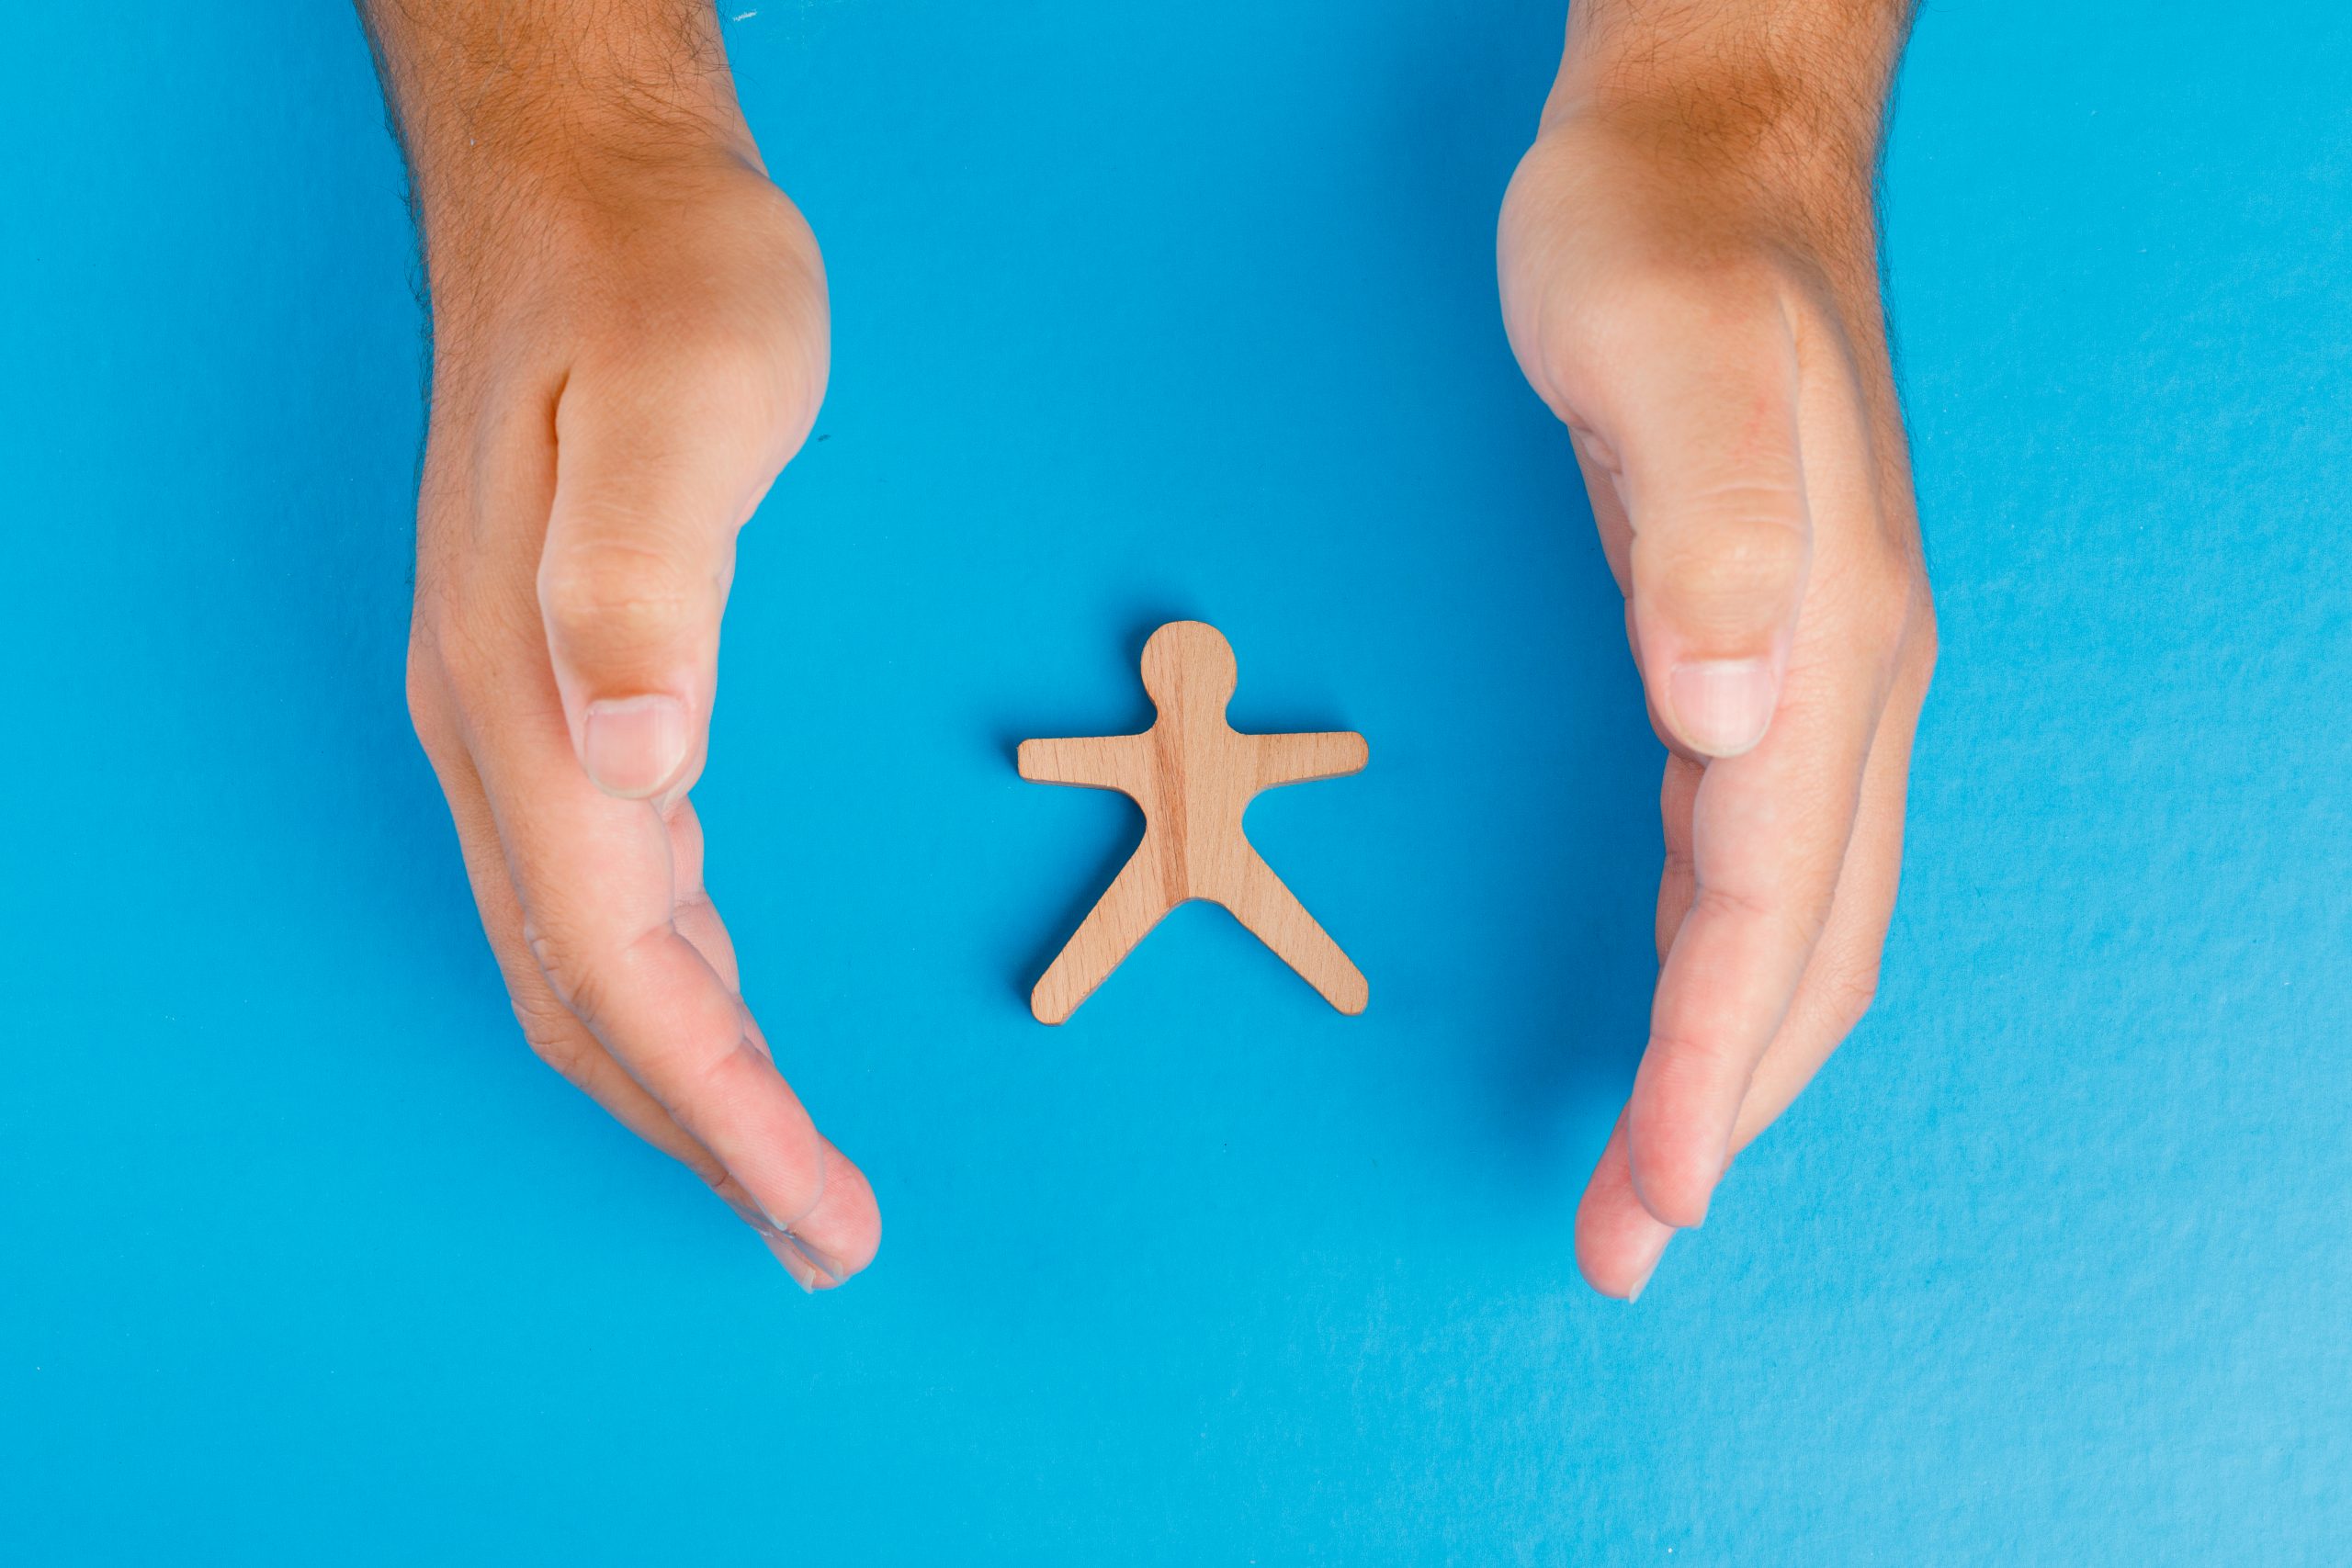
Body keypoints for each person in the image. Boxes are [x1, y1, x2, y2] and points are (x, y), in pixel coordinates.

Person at [362, 0, 1936, 1301]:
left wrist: (1741, 84)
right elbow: (1130, 755)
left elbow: (1195, 754)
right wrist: (559, 120)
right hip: (1194, 833)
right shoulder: (1190, 733)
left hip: (1209, 834)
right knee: (1158, 925)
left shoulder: (1207, 734)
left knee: (1213, 921)